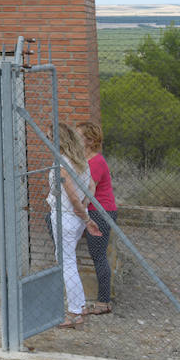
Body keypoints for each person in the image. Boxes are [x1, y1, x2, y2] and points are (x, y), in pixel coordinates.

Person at [48, 123, 102, 328]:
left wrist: (85, 217)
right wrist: (85, 210)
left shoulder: (62, 163)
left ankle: (74, 312)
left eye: (49, 136)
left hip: (66, 216)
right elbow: (90, 187)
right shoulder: (81, 162)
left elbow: (71, 195)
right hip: (77, 216)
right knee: (69, 261)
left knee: (66, 263)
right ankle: (80, 305)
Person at [78, 121, 116, 315]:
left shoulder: (97, 162)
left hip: (100, 211)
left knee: (98, 255)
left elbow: (87, 191)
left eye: (79, 135)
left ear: (90, 141)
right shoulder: (82, 160)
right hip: (86, 211)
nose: (76, 139)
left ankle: (103, 302)